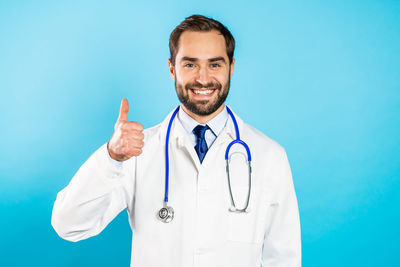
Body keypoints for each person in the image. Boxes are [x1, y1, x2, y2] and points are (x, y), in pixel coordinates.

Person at [51, 14, 301, 267]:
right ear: (172, 69)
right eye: (190, 65)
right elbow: (68, 225)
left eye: (215, 64)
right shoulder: (136, 151)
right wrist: (112, 158)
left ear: (231, 68)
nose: (203, 79)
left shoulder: (269, 156)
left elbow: (283, 258)